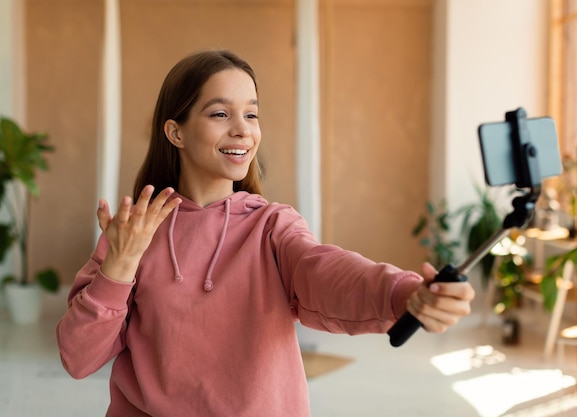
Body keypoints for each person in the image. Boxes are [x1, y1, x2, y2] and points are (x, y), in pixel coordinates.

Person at [56, 49, 475, 417]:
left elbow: (326, 271)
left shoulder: (272, 226)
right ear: (175, 132)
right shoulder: (132, 233)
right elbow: (78, 358)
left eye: (252, 114)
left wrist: (403, 293)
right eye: (220, 113)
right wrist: (120, 266)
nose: (243, 130)